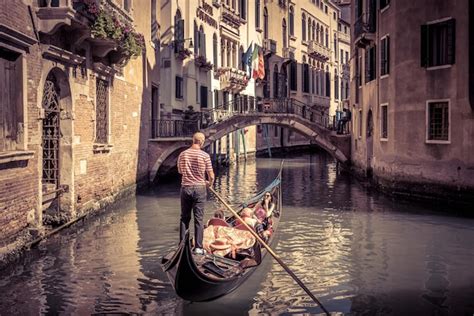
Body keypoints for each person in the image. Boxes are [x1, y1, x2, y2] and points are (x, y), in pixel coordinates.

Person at [177, 132, 215, 255]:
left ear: (193, 140)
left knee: (184, 218)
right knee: (198, 219)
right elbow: (211, 175)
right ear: (202, 142)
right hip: (199, 188)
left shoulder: (183, 154)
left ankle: (182, 246)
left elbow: (180, 170)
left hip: (186, 188)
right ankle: (198, 248)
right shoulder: (205, 156)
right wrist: (209, 183)